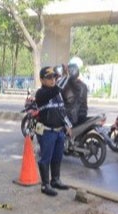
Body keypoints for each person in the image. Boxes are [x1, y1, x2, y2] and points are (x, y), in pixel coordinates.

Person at [34, 65, 73, 197]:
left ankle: (55, 180)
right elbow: (56, 89)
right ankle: (45, 185)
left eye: (54, 77)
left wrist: (68, 125)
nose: (53, 80)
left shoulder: (57, 95)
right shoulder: (41, 94)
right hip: (47, 132)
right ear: (42, 80)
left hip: (59, 132)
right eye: (49, 77)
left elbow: (62, 111)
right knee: (45, 158)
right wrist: (66, 77)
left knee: (57, 157)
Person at [60, 57, 88, 126]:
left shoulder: (69, 85)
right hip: (83, 114)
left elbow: (60, 92)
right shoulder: (83, 85)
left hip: (73, 116)